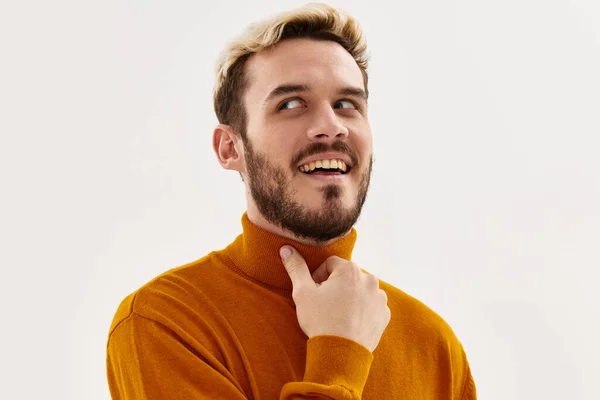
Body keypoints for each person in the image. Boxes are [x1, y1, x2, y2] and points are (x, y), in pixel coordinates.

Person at [106, 3, 477, 399]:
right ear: (230, 148)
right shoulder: (167, 321)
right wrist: (339, 351)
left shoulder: (433, 342)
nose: (330, 126)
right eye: (290, 104)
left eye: (347, 104)